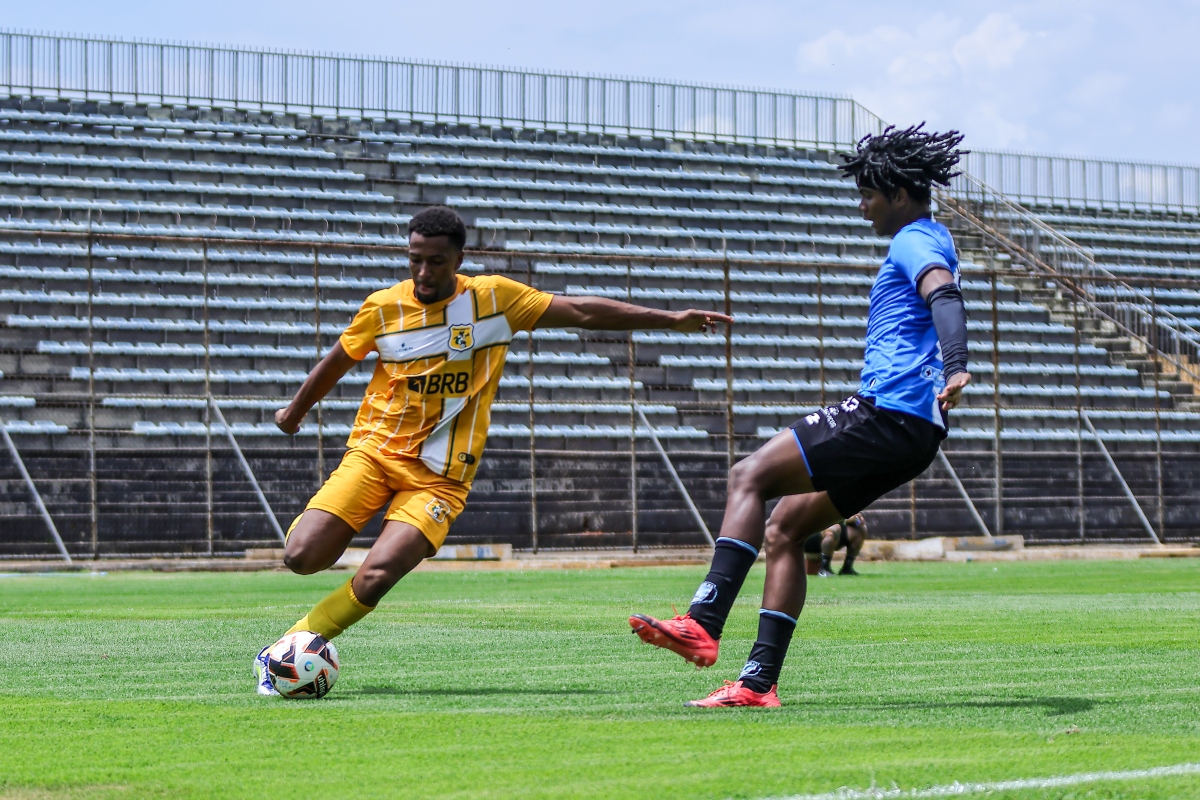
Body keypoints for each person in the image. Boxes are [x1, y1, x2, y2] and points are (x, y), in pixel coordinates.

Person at [254, 205, 732, 695]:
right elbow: (339, 360)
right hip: (374, 454)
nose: (423, 272)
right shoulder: (382, 307)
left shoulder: (495, 301)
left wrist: (671, 319)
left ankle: (290, 646)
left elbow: (583, 311)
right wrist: (295, 411)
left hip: (442, 477)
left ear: (459, 258)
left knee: (378, 575)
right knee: (302, 556)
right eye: (415, 259)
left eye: (436, 261)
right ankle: (306, 588)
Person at [629, 124, 971, 707]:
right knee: (785, 529)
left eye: (868, 194)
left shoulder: (913, 240)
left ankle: (703, 621)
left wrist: (958, 363)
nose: (862, 206)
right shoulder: (931, 236)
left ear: (898, 192)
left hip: (888, 413)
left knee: (748, 476)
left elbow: (942, 294)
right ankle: (758, 685)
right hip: (915, 432)